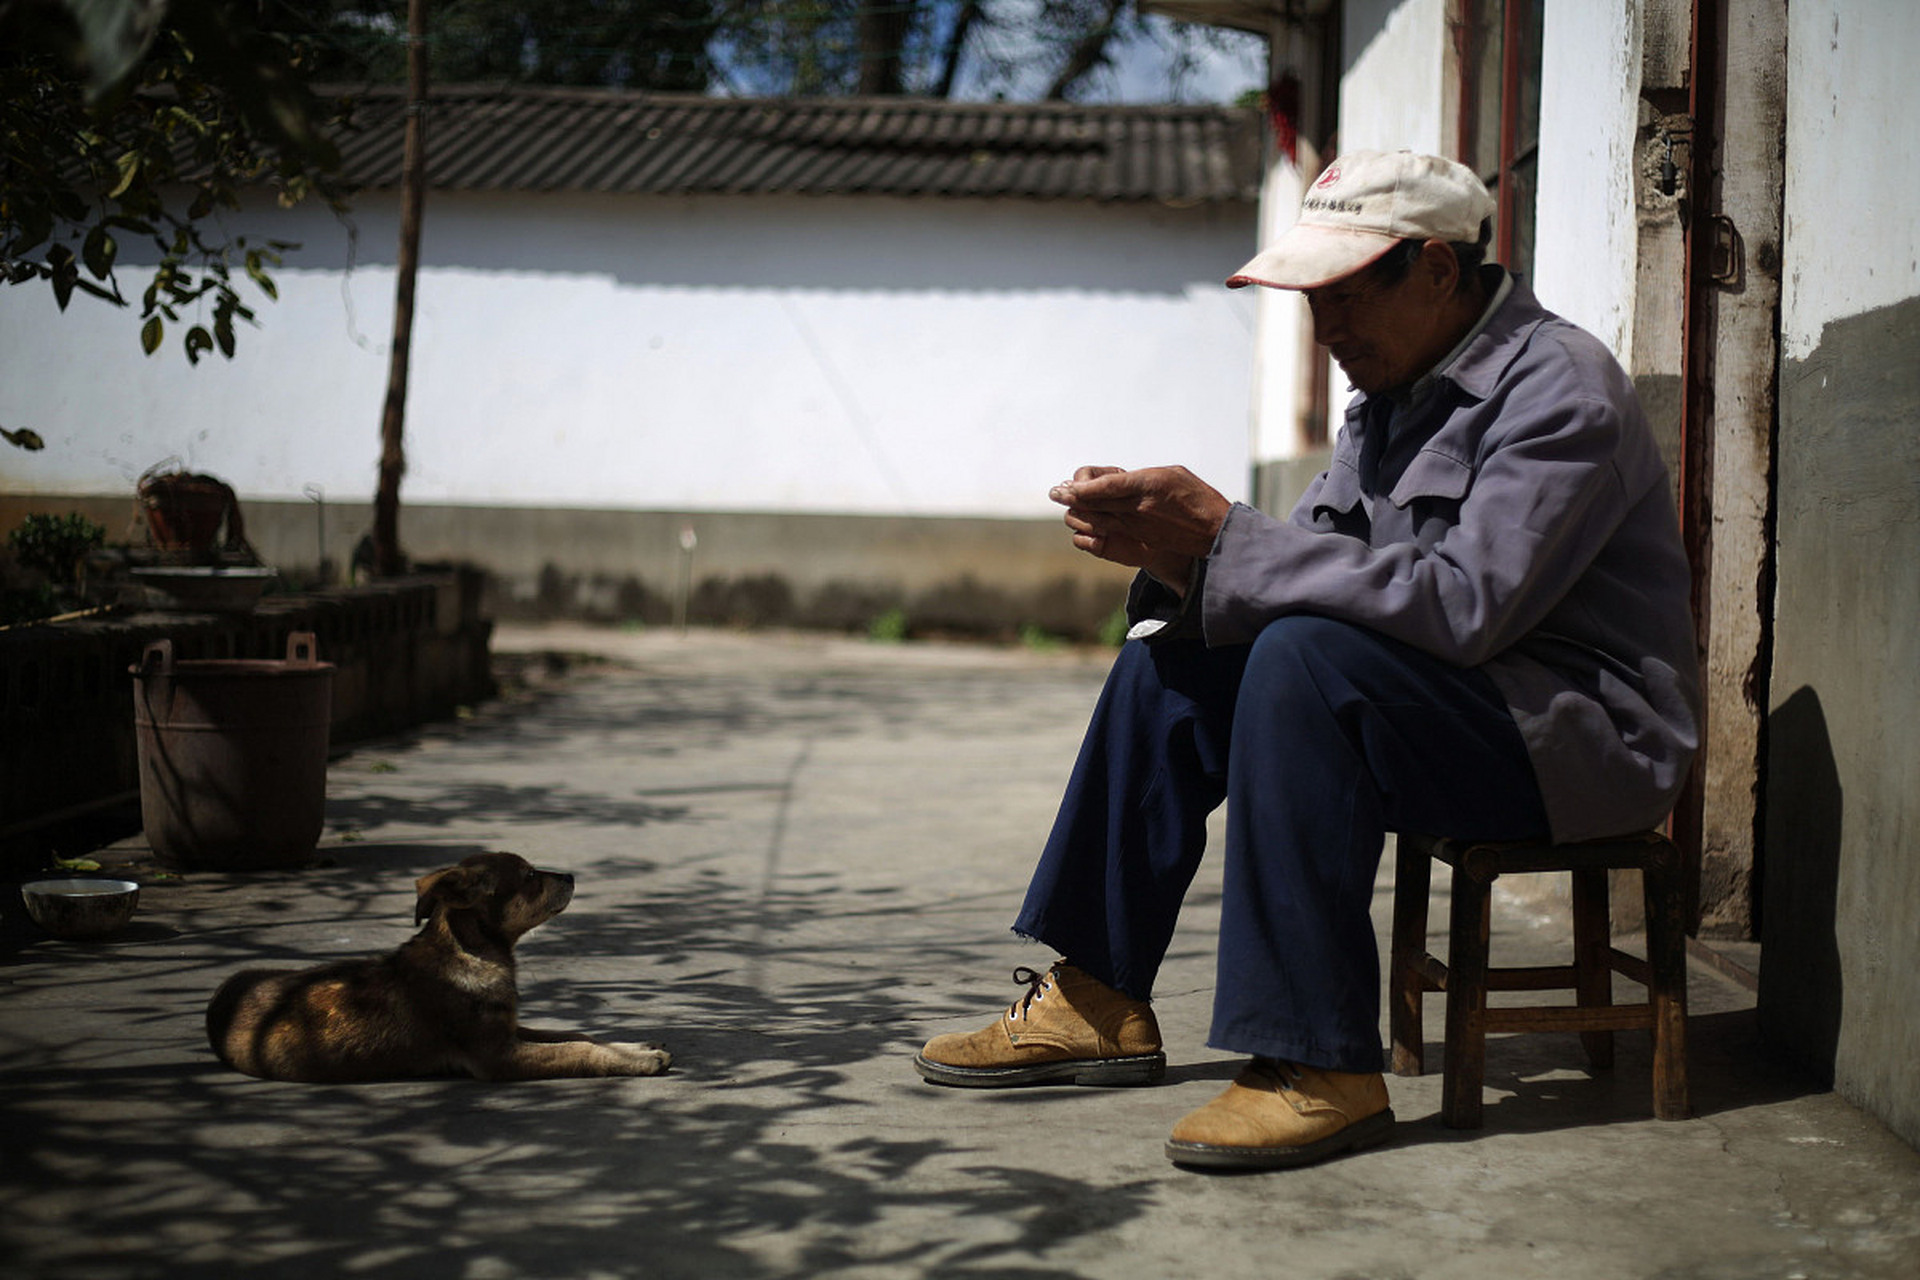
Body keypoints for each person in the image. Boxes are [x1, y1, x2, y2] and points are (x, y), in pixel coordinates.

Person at [912, 150, 1701, 1171]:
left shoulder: (1561, 391)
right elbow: (1310, 564)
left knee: (1301, 660)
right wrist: (1184, 556)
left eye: (1342, 298)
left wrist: (1232, 534)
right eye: (1311, 303)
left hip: (1577, 738)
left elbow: (1466, 608)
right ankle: (1097, 993)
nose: (1324, 333)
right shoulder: (1387, 397)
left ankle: (1317, 1062)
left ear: (1435, 269)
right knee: (1172, 667)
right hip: (1451, 704)